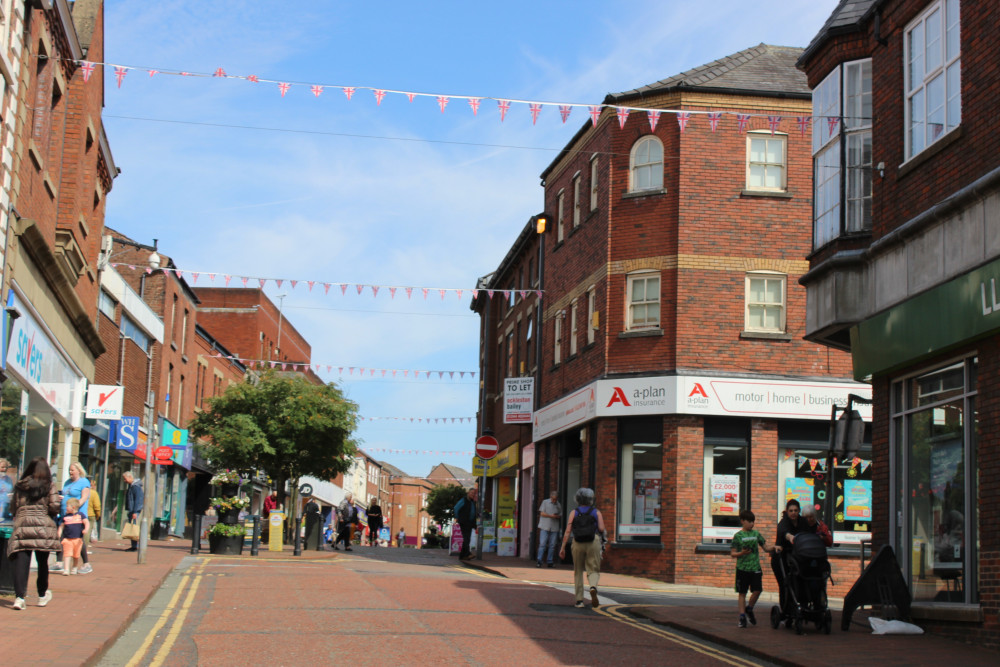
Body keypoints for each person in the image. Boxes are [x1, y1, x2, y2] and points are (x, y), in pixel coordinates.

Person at [7, 456, 60, 610]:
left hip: (23, 524)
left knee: (21, 563)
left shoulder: (21, 485)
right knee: (42, 562)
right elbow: (55, 506)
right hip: (43, 525)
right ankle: (42, 596)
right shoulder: (49, 485)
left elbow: (14, 506)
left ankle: (19, 598)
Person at [559, 488, 606, 608]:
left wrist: (563, 547)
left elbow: (568, 531)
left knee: (578, 571)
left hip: (578, 542)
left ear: (578, 499)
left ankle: (579, 601)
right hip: (593, 541)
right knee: (593, 569)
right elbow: (601, 529)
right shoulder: (596, 512)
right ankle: (593, 587)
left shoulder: (574, 512)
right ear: (591, 499)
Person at [731, 509, 774, 628]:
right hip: (742, 568)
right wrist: (742, 553)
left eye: (753, 521)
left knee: (757, 590)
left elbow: (765, 547)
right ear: (742, 521)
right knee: (742, 593)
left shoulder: (756, 534)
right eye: (749, 521)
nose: (752, 524)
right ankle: (742, 616)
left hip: (755, 567)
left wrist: (775, 547)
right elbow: (733, 553)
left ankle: (749, 608)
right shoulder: (738, 536)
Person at [54, 462, 92, 574]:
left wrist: (74, 509)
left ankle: (86, 563)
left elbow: (84, 498)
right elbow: (66, 495)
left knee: (77, 539)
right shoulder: (67, 482)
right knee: (62, 538)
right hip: (65, 514)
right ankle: (59, 562)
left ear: (79, 471)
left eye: (72, 470)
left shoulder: (84, 482)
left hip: (76, 515)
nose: (70, 472)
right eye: (69, 470)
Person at [59, 498, 88, 575]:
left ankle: (74, 567)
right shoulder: (65, 516)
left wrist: (86, 529)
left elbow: (86, 522)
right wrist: (59, 533)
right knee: (67, 554)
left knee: (76, 555)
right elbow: (62, 526)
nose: (66, 508)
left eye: (67, 506)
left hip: (77, 539)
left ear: (73, 507)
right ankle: (66, 569)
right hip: (67, 539)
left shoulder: (80, 515)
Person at [536, 489, 562, 568]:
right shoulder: (545, 502)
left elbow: (560, 514)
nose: (554, 501)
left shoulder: (558, 505)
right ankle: (539, 561)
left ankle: (550, 561)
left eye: (555, 499)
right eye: (553, 499)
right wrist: (551, 516)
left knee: (552, 545)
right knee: (542, 544)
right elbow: (542, 513)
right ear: (550, 497)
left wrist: (557, 516)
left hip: (554, 527)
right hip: (545, 526)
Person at [454, 487, 478, 561]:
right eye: (471, 493)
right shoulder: (464, 500)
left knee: (467, 539)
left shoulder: (472, 502)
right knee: (466, 538)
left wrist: (475, 525)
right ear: (468, 493)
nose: (472, 494)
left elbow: (473, 513)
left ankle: (462, 556)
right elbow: (456, 508)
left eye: (474, 493)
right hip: (464, 522)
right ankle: (467, 554)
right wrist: (457, 517)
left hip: (470, 523)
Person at [123, 471, 143, 552]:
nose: (124, 481)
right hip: (132, 509)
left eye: (125, 479)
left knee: (133, 527)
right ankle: (134, 545)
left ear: (130, 477)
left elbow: (137, 500)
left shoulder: (135, 487)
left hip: (134, 510)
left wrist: (135, 511)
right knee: (132, 526)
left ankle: (135, 546)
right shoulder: (132, 486)